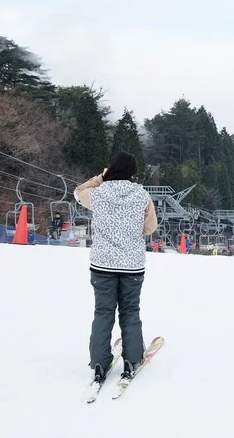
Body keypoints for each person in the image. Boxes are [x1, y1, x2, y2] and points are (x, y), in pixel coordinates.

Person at [74, 151, 158, 384]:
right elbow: (151, 227)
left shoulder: (98, 193)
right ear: (134, 172)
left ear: (110, 169)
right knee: (130, 311)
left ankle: (100, 362)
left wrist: (101, 177)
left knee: (103, 312)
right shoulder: (142, 195)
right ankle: (132, 360)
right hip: (132, 265)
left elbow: (78, 192)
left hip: (102, 265)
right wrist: (132, 234)